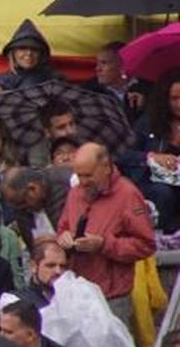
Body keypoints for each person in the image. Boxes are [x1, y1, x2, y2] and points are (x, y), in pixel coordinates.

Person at [59, 142, 155, 331]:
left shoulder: (128, 195)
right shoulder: (75, 193)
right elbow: (63, 227)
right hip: (77, 293)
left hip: (111, 298)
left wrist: (104, 245)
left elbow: (146, 245)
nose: (83, 182)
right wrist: (63, 237)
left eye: (88, 175)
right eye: (79, 175)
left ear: (106, 167)